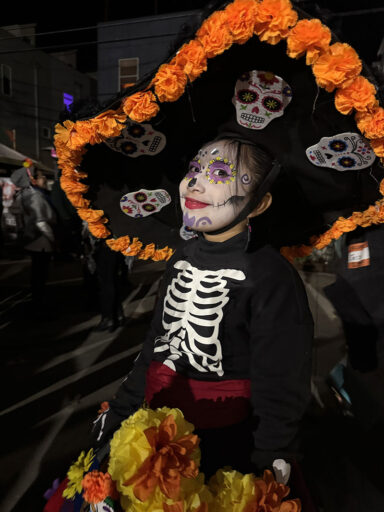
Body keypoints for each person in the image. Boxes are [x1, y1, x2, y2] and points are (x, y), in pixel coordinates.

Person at [92, 137, 313, 480]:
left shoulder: (270, 274)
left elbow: (283, 376)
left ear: (259, 204)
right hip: (155, 428)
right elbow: (155, 344)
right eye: (194, 169)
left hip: (229, 442)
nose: (195, 181)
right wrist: (122, 410)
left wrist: (272, 451)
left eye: (220, 173)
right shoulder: (182, 256)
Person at [10, 164, 57, 312]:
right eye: (41, 176)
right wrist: (52, 240)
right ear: (33, 180)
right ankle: (39, 305)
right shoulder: (36, 196)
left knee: (37, 273)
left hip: (32, 239)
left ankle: (38, 302)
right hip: (41, 239)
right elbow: (41, 221)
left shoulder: (24, 195)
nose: (44, 178)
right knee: (40, 274)